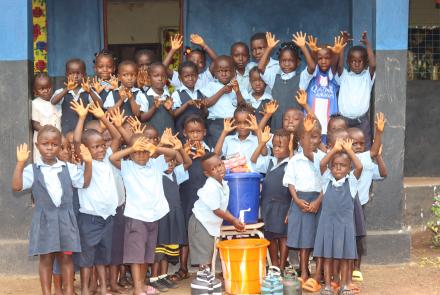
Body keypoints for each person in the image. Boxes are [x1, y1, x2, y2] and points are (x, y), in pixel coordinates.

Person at [11, 125, 92, 295]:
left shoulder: (68, 167)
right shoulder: (32, 169)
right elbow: (17, 186)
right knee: (46, 259)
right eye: (45, 144)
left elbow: (84, 183)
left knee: (66, 257)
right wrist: (20, 164)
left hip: (66, 220)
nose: (49, 148)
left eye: (54, 144)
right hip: (44, 220)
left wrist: (89, 163)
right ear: (37, 145)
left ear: (59, 145)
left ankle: (68, 291)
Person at [109, 133, 177, 295]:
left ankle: (142, 285)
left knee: (147, 254)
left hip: (154, 216)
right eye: (137, 152)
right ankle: (138, 288)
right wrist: (132, 147)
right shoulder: (127, 166)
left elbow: (173, 154)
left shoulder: (155, 164)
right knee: (136, 255)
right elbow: (112, 158)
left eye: (145, 151)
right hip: (136, 217)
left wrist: (155, 148)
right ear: (131, 153)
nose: (141, 155)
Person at [71, 100, 121, 295]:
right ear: (85, 150)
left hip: (108, 216)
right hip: (90, 218)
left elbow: (115, 136)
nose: (101, 149)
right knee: (86, 257)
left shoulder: (108, 157)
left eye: (102, 145)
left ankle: (102, 288)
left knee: (102, 256)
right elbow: (76, 142)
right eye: (96, 147)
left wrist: (102, 117)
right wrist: (83, 117)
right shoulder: (83, 163)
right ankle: (85, 289)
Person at [315, 138, 363, 295]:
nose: (337, 168)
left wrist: (349, 151)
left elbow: (360, 166)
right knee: (327, 256)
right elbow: (322, 164)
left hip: (345, 226)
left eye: (342, 166)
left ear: (348, 168)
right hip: (327, 224)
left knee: (344, 257)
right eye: (334, 165)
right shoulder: (326, 180)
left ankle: (344, 285)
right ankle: (328, 285)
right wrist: (334, 150)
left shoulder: (352, 182)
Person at [282, 115, 324, 290]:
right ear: (300, 140)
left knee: (319, 238)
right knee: (303, 239)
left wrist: (317, 201)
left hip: (318, 201)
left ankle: (318, 273)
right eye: (307, 136)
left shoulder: (322, 158)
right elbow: (290, 183)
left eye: (315, 136)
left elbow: (326, 184)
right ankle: (304, 271)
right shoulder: (294, 160)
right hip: (300, 200)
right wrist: (296, 200)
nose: (312, 141)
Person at [170, 115, 212, 281]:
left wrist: (204, 157)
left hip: (204, 198)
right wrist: (182, 153)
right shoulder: (180, 151)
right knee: (185, 232)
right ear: (184, 134)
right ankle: (183, 267)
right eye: (191, 132)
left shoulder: (209, 151)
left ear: (204, 132)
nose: (195, 135)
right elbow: (178, 170)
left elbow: (215, 171)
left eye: (198, 131)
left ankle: (206, 266)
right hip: (185, 195)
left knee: (204, 231)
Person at [150, 131, 192, 292]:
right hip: (162, 215)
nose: (170, 164)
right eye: (166, 161)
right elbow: (156, 157)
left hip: (174, 215)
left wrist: (181, 149)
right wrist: (161, 144)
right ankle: (154, 277)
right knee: (158, 249)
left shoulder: (176, 174)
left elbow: (187, 162)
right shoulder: (155, 173)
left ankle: (163, 276)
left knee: (169, 248)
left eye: (172, 161)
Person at [188, 152, 245, 269]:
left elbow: (223, 209)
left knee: (209, 254)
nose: (219, 169)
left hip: (207, 224)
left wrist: (234, 219)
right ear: (207, 173)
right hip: (200, 224)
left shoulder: (224, 184)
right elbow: (217, 211)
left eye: (220, 165)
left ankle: (207, 280)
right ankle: (203, 282)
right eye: (213, 169)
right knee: (204, 258)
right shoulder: (211, 186)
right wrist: (233, 220)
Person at [347, 113, 386, 285]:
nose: (358, 146)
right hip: (343, 205)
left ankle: (357, 268)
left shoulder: (365, 158)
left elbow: (375, 150)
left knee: (358, 237)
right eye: (354, 143)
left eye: (361, 144)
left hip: (359, 205)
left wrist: (378, 132)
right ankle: (345, 266)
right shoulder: (342, 157)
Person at [252, 127, 292, 270]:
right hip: (268, 204)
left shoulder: (291, 163)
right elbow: (253, 160)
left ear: (290, 146)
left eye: (280, 146)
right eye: (274, 146)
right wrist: (262, 143)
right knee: (270, 235)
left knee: (283, 236)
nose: (276, 149)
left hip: (284, 204)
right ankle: (274, 264)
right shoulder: (269, 161)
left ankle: (281, 266)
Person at [297, 33, 346, 143]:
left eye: (327, 58)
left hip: (331, 128)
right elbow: (312, 66)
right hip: (311, 126)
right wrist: (306, 49)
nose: (323, 61)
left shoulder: (332, 77)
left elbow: (336, 66)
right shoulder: (310, 76)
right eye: (320, 58)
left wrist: (337, 54)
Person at [337, 32, 376, 149]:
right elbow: (339, 66)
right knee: (344, 149)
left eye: (360, 61)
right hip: (344, 121)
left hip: (362, 121)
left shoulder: (367, 77)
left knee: (364, 149)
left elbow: (373, 65)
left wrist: (367, 44)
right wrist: (343, 43)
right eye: (353, 61)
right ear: (348, 63)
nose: (356, 63)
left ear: (365, 63)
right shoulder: (344, 76)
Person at [259, 33, 302, 130]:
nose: (286, 64)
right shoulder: (274, 78)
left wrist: (303, 47)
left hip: (294, 124)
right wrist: (269, 48)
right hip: (277, 123)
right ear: (279, 62)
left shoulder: (301, 78)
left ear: (298, 62)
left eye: (290, 60)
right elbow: (260, 68)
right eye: (283, 61)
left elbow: (312, 67)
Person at [201, 55, 245, 147]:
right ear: (215, 73)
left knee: (233, 148)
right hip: (216, 122)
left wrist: (237, 92)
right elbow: (207, 103)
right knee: (218, 148)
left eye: (227, 71)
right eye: (220, 71)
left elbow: (242, 106)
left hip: (234, 122)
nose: (223, 74)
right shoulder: (211, 85)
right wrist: (222, 91)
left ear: (233, 72)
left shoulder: (238, 86)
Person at [51, 58, 102, 134]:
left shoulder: (89, 91)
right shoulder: (61, 91)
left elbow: (99, 105)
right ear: (67, 75)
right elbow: (53, 101)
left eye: (78, 73)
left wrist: (90, 91)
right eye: (71, 73)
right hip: (67, 133)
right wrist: (67, 89)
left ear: (84, 75)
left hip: (86, 133)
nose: (75, 76)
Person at [214, 103, 264, 171]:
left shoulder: (257, 140)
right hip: (230, 177)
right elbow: (215, 155)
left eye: (246, 122)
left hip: (250, 177)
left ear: (252, 122)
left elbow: (264, 153)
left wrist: (257, 130)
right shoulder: (228, 140)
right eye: (238, 123)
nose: (242, 126)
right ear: (234, 123)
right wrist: (224, 132)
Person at [171, 61, 207, 139]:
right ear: (180, 78)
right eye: (186, 76)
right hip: (182, 132)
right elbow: (173, 114)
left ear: (197, 76)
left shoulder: (201, 93)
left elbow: (205, 114)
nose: (190, 78)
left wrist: (203, 106)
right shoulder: (177, 94)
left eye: (193, 75)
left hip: (198, 133)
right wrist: (186, 104)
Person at [31, 73, 62, 162]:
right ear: (35, 92)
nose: (46, 91)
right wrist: (47, 132)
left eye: (48, 88)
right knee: (41, 161)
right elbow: (35, 123)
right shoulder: (35, 104)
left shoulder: (56, 101)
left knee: (57, 161)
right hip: (43, 140)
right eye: (42, 89)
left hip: (57, 139)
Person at [140, 62, 175, 135]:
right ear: (149, 78)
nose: (160, 79)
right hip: (152, 139)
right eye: (156, 76)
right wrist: (154, 107)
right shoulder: (144, 96)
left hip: (169, 137)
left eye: (164, 76)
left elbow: (174, 116)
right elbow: (142, 118)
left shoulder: (169, 96)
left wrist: (169, 109)